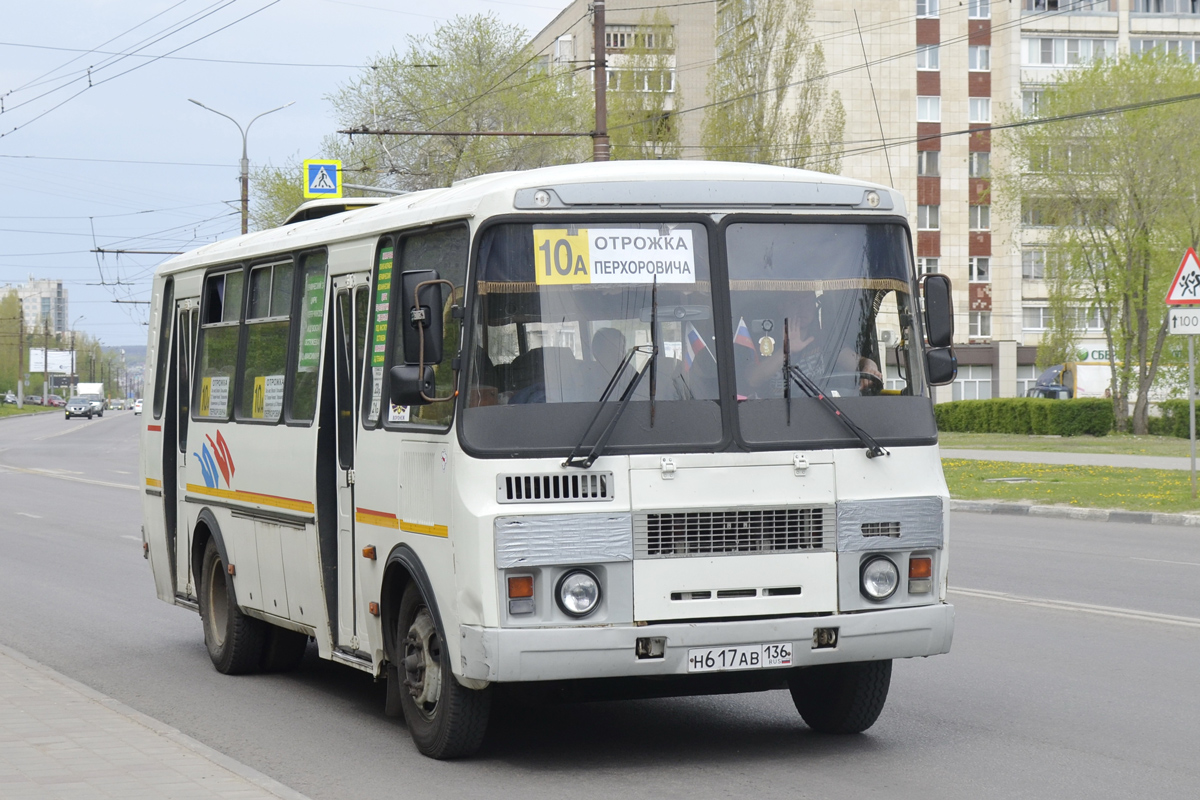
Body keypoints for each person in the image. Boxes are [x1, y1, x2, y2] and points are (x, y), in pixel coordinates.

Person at [739, 291, 881, 398]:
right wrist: (785, 351)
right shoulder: (765, 340)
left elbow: (858, 362)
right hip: (773, 417)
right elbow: (752, 379)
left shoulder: (823, 339)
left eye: (808, 303)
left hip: (816, 413)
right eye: (795, 303)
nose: (803, 309)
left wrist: (869, 366)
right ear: (781, 307)